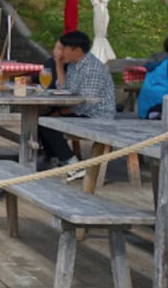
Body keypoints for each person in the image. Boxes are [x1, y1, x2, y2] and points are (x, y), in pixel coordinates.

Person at [37, 30, 117, 181]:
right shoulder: (74, 64)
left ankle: (73, 165)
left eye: (64, 48)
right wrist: (58, 65)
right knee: (41, 119)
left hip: (98, 115)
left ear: (77, 50)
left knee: (48, 123)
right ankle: (58, 159)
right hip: (82, 110)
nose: (61, 52)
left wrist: (61, 113)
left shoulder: (93, 68)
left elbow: (88, 102)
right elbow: (64, 90)